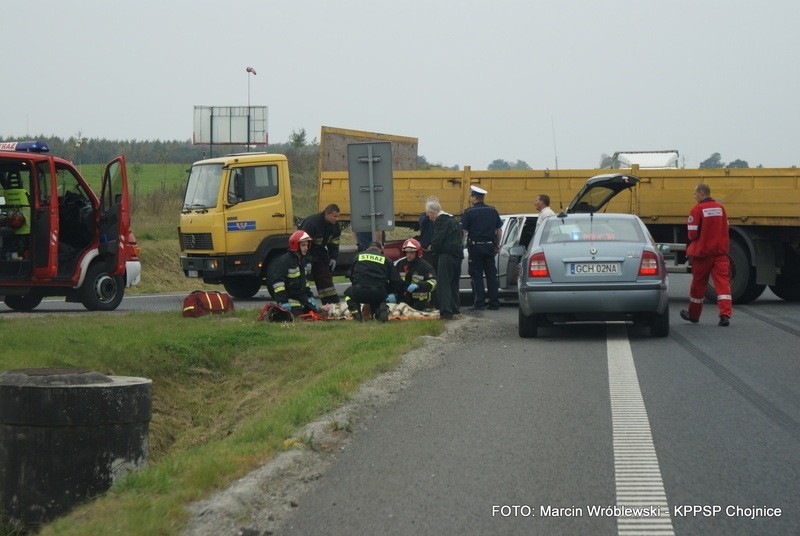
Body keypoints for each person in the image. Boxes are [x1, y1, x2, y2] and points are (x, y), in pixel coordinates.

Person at [680, 183, 732, 326]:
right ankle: (725, 315)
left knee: (698, 285)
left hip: (703, 254)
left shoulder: (697, 209)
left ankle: (694, 315)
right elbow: (726, 227)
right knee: (723, 284)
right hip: (720, 253)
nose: (694, 196)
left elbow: (692, 234)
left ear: (702, 193)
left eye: (695, 193)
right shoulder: (721, 208)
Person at [460, 185, 503, 310]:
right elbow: (499, 230)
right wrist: (497, 244)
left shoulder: (469, 212)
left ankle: (479, 303)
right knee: (491, 275)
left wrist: (462, 245)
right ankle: (494, 303)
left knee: (477, 275)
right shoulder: (493, 210)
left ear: (474, 197)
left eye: (471, 197)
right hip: (490, 247)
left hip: (475, 248)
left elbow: (464, 231)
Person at [344, 241, 404, 322]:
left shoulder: (358, 256)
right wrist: (388, 292)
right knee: (379, 299)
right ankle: (382, 309)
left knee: (348, 294)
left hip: (360, 291)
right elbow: (396, 281)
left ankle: (356, 314)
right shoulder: (387, 260)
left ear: (367, 249)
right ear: (381, 250)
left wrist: (357, 285)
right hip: (379, 292)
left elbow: (352, 276)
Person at [266, 230, 320, 316]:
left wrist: (310, 296)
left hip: (301, 297)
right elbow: (278, 284)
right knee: (298, 316)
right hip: (289, 298)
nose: (306, 248)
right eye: (303, 245)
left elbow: (304, 282)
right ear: (295, 246)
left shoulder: (302, 260)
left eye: (307, 245)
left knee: (315, 313)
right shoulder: (284, 261)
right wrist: (283, 302)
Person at [426, 197, 463, 320]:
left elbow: (439, 239)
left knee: (444, 284)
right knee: (454, 283)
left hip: (446, 256)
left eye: (428, 213)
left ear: (432, 212)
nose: (428, 216)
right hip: (457, 255)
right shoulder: (453, 220)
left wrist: (432, 247)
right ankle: (455, 309)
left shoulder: (441, 221)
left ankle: (446, 312)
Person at [300, 204, 341, 304]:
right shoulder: (312, 223)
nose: (337, 219)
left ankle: (332, 305)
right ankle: (302, 303)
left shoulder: (334, 226)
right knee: (299, 279)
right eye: (334, 216)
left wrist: (333, 257)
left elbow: (334, 242)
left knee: (325, 278)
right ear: (326, 214)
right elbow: (303, 243)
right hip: (305, 253)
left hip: (319, 253)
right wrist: (307, 260)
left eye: (338, 216)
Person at [395, 238, 437, 311]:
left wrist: (418, 285)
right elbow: (394, 280)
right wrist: (391, 293)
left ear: (417, 252)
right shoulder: (400, 264)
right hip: (404, 297)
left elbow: (433, 282)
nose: (409, 255)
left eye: (412, 252)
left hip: (420, 300)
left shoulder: (425, 267)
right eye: (407, 252)